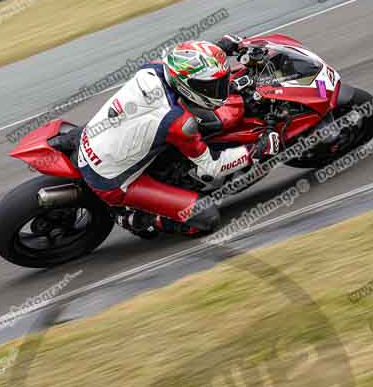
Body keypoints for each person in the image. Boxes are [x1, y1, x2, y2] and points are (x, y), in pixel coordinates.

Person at [77, 36, 280, 238]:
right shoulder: (179, 122)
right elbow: (212, 167)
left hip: (94, 138)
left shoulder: (154, 68)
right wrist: (254, 151)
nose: (221, 89)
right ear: (187, 86)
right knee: (206, 217)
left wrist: (219, 49)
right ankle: (138, 219)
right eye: (212, 86)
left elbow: (187, 60)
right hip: (111, 181)